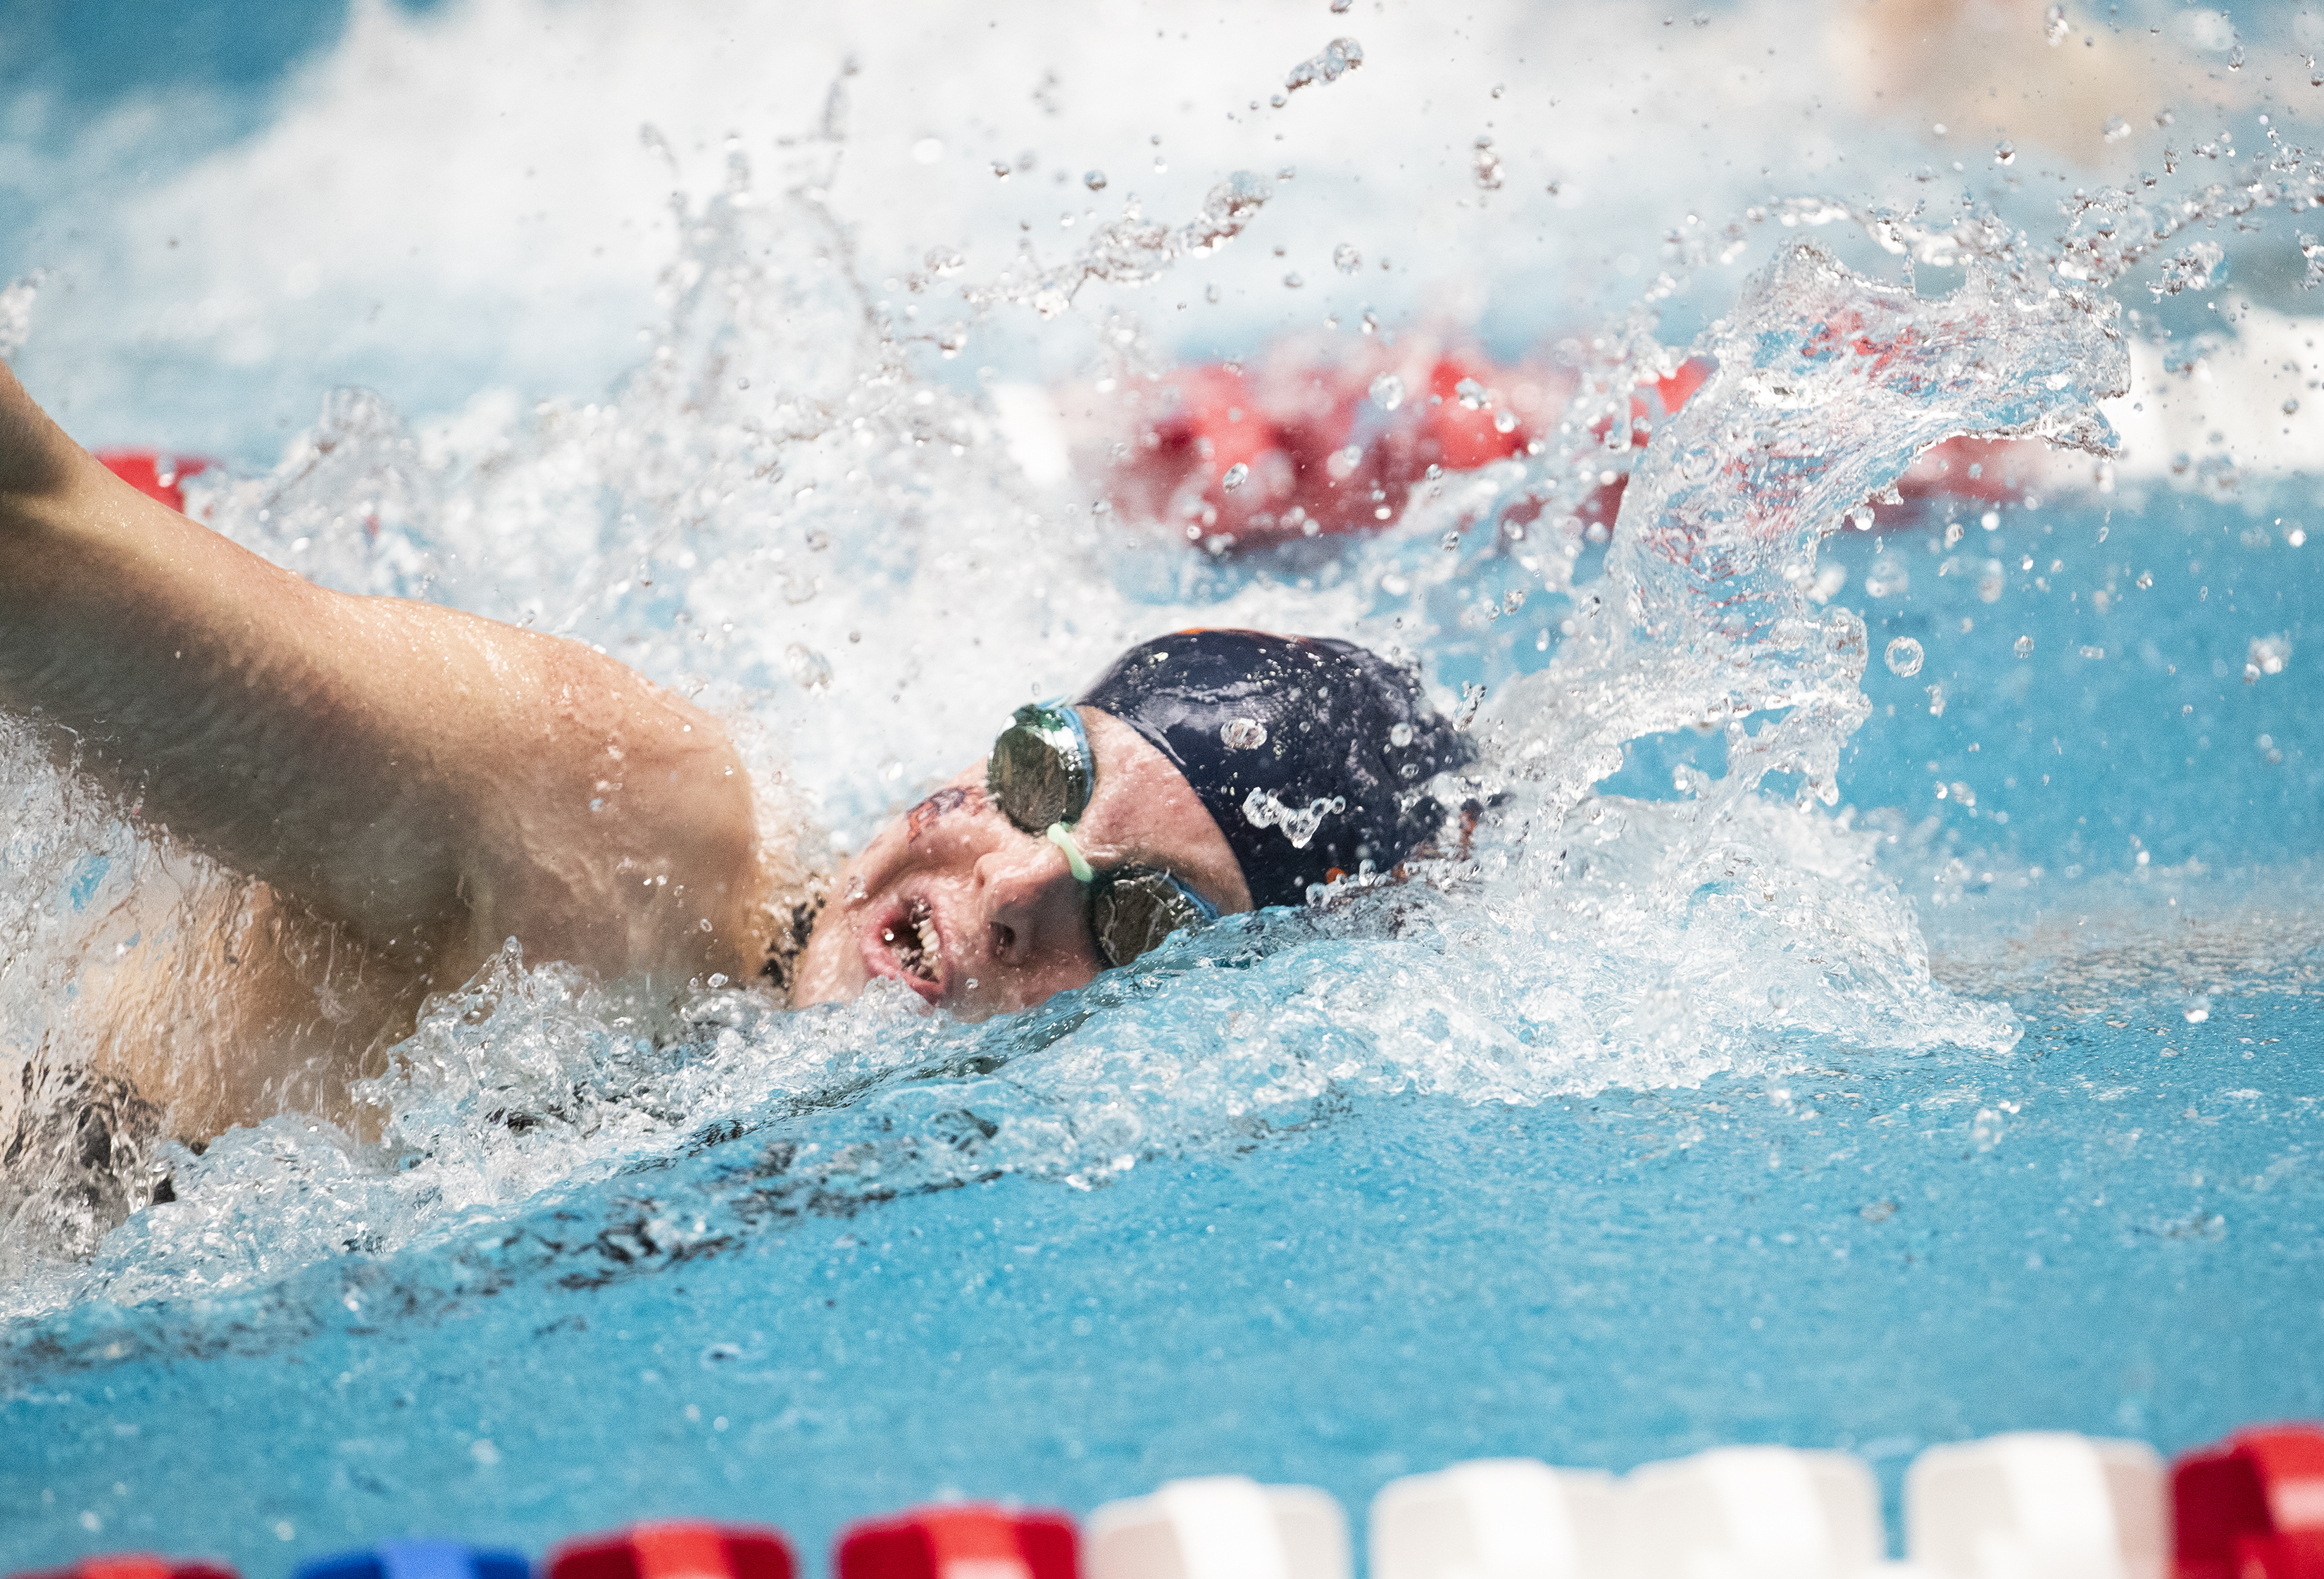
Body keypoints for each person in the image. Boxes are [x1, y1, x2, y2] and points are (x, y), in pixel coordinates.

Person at [0, 363, 1470, 1161]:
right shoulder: (609, 814)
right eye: (1042, 776)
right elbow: (38, 530)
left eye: (1142, 916)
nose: (1014, 881)